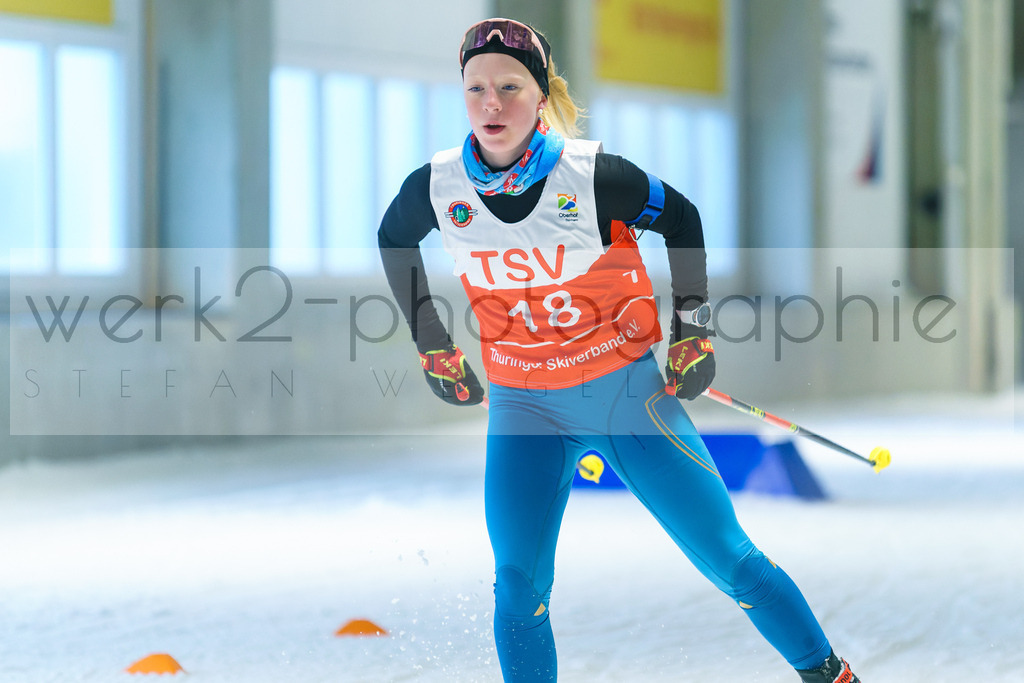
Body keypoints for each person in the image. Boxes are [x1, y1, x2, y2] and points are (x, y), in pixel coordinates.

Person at [377, 18, 861, 683]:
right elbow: (392, 238)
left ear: (541, 95)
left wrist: (693, 330)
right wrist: (433, 343)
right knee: (518, 584)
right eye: (477, 89)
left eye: (510, 88)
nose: (492, 105)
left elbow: (683, 217)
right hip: (524, 408)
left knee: (730, 559)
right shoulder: (439, 186)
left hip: (626, 397)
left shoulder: (594, 175)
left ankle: (831, 674)